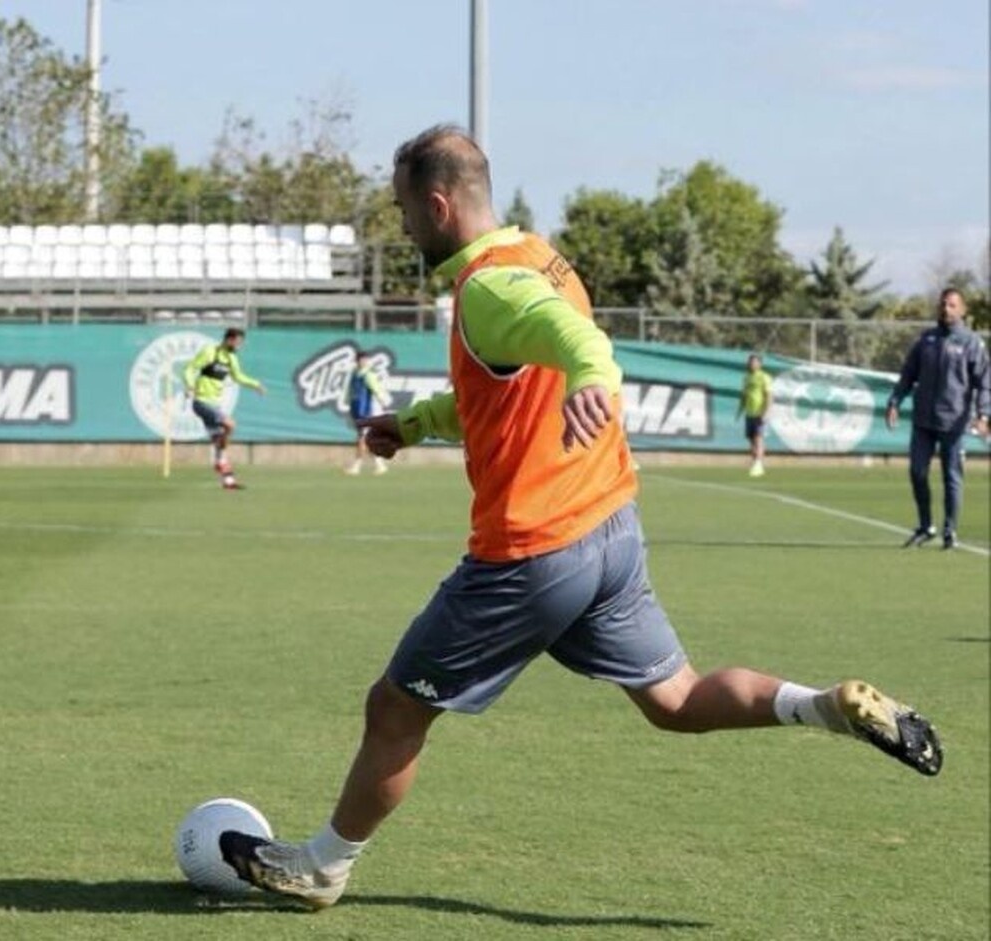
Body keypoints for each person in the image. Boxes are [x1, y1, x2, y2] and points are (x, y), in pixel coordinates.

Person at [220, 125, 943, 910]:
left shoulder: (489, 288)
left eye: (402, 210)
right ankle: (824, 705)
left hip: (532, 553)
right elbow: (500, 392)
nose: (401, 225)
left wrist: (593, 376)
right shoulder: (540, 256)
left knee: (395, 709)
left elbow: (581, 343)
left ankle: (323, 866)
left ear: (438, 205)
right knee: (676, 700)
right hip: (610, 532)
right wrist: (417, 422)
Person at [886, 287, 990, 550]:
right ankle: (926, 526)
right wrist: (895, 401)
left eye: (952, 305)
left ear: (962, 310)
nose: (946, 309)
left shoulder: (971, 343)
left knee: (951, 477)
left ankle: (949, 530)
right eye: (943, 304)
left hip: (953, 422)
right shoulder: (926, 340)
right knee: (917, 472)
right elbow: (908, 374)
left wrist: (983, 414)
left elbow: (984, 383)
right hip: (923, 421)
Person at [182, 327, 266, 490]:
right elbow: (190, 368)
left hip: (215, 404)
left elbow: (238, 377)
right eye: (238, 342)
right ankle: (220, 460)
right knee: (230, 425)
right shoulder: (210, 352)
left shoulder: (231, 358)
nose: (239, 346)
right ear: (229, 339)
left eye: (241, 343)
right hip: (201, 402)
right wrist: (190, 386)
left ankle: (228, 481)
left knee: (219, 441)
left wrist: (256, 384)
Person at [344, 351, 393, 476]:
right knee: (365, 439)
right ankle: (380, 465)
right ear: (357, 361)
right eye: (362, 360)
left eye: (366, 359)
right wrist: (348, 405)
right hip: (358, 411)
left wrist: (383, 401)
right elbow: (350, 392)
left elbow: (377, 390)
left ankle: (356, 467)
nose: (365, 362)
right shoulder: (355, 375)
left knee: (362, 438)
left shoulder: (368, 375)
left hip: (367, 412)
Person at [735, 352, 772, 477]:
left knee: (758, 438)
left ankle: (758, 464)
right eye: (750, 361)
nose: (751, 364)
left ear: (760, 364)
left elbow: (769, 396)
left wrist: (765, 412)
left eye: (754, 362)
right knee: (751, 440)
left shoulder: (764, 377)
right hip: (749, 413)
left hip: (760, 413)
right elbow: (744, 395)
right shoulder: (746, 377)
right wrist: (740, 410)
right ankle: (756, 463)